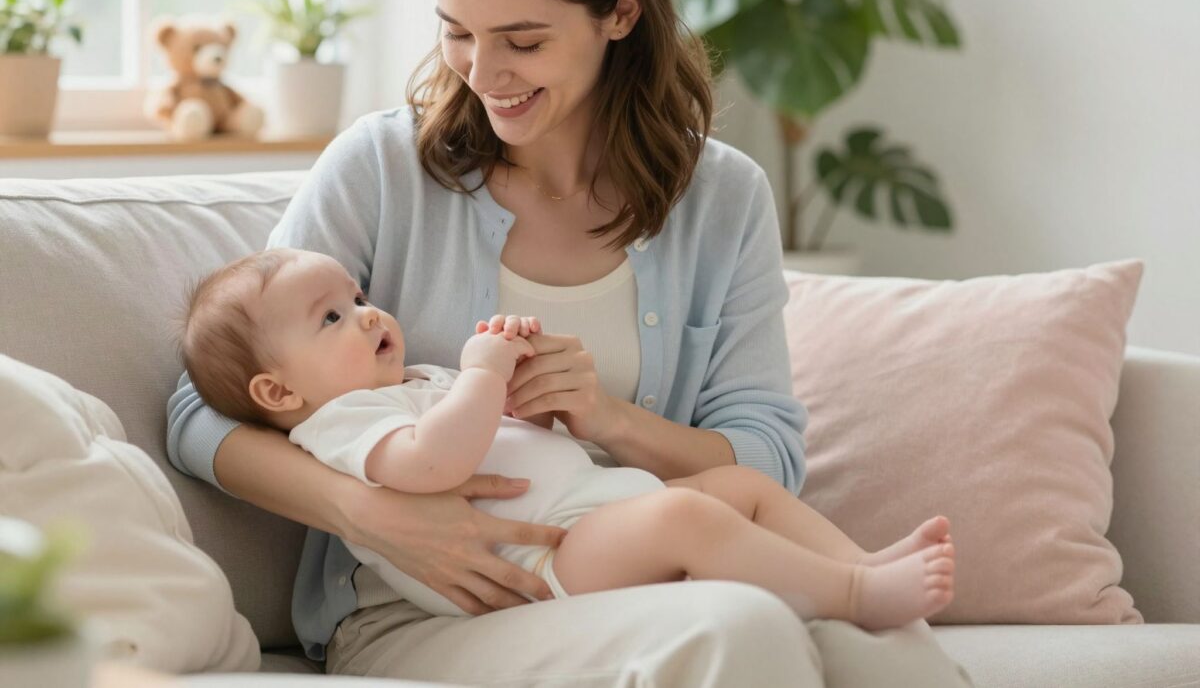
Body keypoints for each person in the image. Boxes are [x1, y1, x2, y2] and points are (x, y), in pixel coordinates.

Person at [166, 0, 971, 687]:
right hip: (430, 609)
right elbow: (202, 408)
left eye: (522, 40)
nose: (484, 72)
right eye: (457, 32)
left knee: (890, 650)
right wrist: (371, 512)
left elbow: (765, 454)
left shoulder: (723, 197)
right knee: (740, 629)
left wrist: (610, 420)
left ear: (620, 13)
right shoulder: (381, 169)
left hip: (648, 557)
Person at [181, 248, 957, 632]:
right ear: (278, 393)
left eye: (359, 297)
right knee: (689, 518)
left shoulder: (412, 381)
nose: (367, 314)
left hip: (597, 514)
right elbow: (431, 464)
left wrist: (531, 398)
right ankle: (853, 598)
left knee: (744, 488)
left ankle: (857, 562)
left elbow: (501, 442)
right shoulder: (338, 425)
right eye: (332, 318)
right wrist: (481, 374)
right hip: (543, 569)